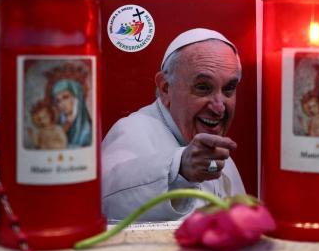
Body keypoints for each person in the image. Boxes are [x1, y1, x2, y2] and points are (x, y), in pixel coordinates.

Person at [102, 28, 246, 221]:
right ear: (165, 88)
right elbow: (106, 201)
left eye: (229, 88)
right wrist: (180, 169)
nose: (219, 107)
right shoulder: (132, 130)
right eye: (203, 87)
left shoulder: (216, 147)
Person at [51, 79, 92, 147]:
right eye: (58, 101)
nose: (61, 104)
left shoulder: (87, 129)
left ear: (76, 99)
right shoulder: (58, 125)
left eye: (65, 97)